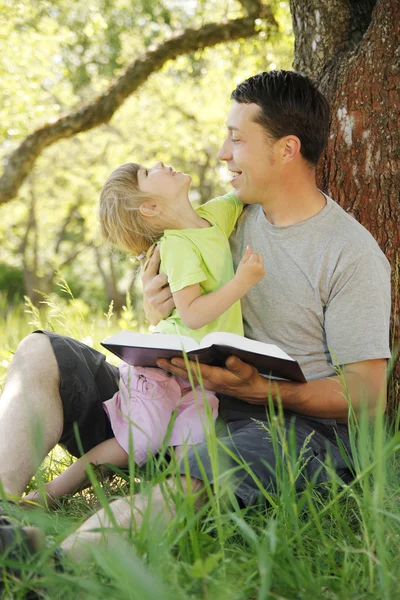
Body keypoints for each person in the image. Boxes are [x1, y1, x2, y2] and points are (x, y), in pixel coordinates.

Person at [0, 70, 391, 562]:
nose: (223, 154)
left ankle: (47, 565)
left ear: (286, 149)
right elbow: (175, 274)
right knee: (41, 349)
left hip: (284, 423)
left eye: (237, 139)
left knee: (202, 470)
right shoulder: (218, 218)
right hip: (184, 398)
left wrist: (264, 392)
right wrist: (155, 303)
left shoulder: (349, 253)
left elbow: (367, 395)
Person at [22, 161, 265, 507]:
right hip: (162, 364)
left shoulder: (215, 216)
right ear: (149, 206)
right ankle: (48, 495)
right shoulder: (178, 246)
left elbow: (243, 193)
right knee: (138, 440)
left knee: (195, 442)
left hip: (199, 372)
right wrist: (242, 283)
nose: (161, 164)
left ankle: (173, 513)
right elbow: (193, 314)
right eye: (149, 174)